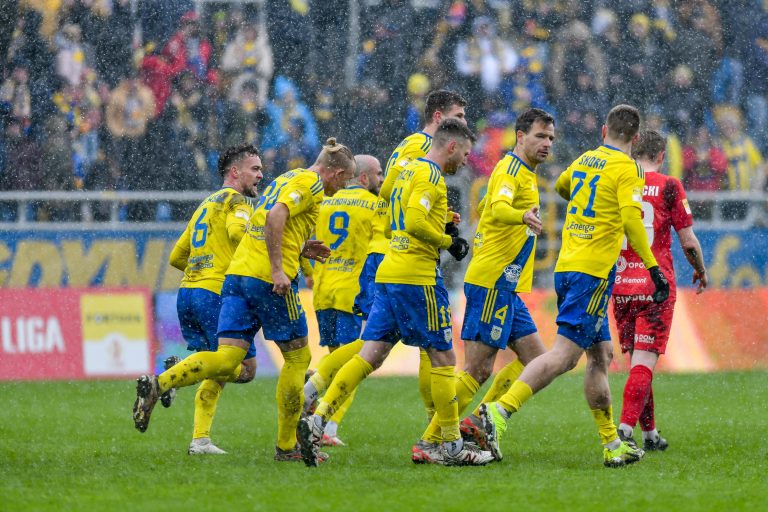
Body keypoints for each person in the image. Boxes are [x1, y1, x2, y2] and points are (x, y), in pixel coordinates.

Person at [132, 138, 356, 463]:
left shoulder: (286, 178)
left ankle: (159, 384)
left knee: (226, 360)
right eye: (344, 180)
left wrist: (301, 246)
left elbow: (268, 220)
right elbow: (275, 217)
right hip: (267, 278)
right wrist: (279, 268)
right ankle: (286, 446)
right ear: (334, 173)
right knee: (297, 358)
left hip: (236, 277)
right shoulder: (310, 183)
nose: (343, 186)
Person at [476, 104, 670, 468]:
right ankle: (498, 411)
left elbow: (565, 185)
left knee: (601, 355)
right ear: (637, 138)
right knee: (564, 356)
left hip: (568, 264)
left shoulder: (586, 160)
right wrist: (653, 266)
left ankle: (612, 444)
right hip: (592, 271)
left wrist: (589, 209)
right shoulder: (628, 168)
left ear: (603, 130)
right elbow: (630, 218)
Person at [299, 119, 493, 467]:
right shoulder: (430, 175)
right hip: (416, 276)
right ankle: (449, 447)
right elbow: (417, 223)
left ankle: (318, 419)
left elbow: (391, 211)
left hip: (389, 271)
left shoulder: (405, 171)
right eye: (464, 152)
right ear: (451, 146)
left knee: (369, 355)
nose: (465, 160)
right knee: (444, 359)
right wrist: (450, 239)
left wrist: (437, 219)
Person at [302, 90, 468, 425]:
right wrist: (439, 231)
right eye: (459, 117)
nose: (462, 125)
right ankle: (438, 431)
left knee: (373, 345)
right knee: (435, 350)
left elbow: (391, 192)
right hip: (406, 257)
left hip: (390, 255)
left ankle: (317, 397)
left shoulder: (406, 147)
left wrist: (436, 213)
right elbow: (406, 208)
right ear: (439, 119)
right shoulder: (426, 152)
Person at [412, 108, 555, 464]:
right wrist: (521, 215)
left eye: (551, 138)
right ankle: (430, 441)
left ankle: (479, 421)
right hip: (491, 281)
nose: (547, 143)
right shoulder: (511, 169)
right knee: (476, 369)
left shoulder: (525, 173)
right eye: (540, 136)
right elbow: (499, 208)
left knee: (538, 360)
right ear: (520, 137)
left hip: (505, 286)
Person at [165, 144, 263, 455]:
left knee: (218, 367)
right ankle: (166, 380)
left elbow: (177, 255)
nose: (261, 175)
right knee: (244, 369)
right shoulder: (238, 201)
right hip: (218, 295)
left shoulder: (204, 205)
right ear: (235, 172)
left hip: (189, 291)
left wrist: (202, 267)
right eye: (255, 169)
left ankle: (200, 440)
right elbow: (237, 233)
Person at [613, 130, 708, 451]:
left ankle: (650, 434)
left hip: (622, 285)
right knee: (644, 361)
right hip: (656, 285)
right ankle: (624, 432)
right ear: (661, 155)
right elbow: (689, 241)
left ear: (632, 151)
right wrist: (700, 269)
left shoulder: (619, 182)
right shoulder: (669, 185)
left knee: (639, 362)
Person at [311, 154, 384, 446]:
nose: (382, 179)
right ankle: (327, 427)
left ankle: (312, 397)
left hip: (323, 292)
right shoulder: (375, 206)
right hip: (351, 294)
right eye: (379, 173)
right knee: (354, 364)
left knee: (335, 359)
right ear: (364, 177)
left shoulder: (324, 203)